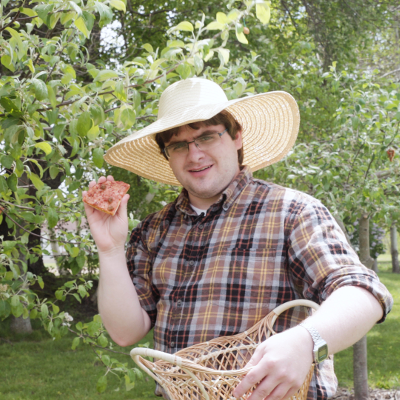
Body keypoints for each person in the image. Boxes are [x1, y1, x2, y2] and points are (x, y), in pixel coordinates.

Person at [83, 78, 393, 400]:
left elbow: (363, 294)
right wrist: (110, 248)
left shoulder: (291, 212)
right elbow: (126, 332)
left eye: (206, 136)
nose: (194, 154)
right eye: (178, 145)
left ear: (236, 137)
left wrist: (306, 341)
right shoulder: (154, 230)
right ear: (167, 155)